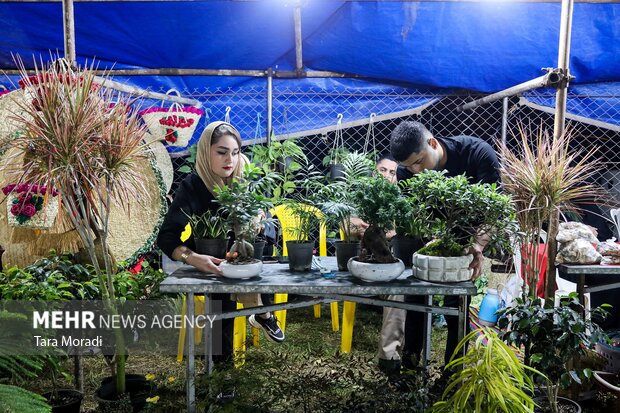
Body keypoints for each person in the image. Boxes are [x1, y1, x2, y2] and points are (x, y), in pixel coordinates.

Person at [157, 121, 285, 365]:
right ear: (206, 152)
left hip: (245, 258)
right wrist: (192, 258)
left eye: (235, 152)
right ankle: (222, 372)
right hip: (210, 260)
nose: (230, 160)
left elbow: (270, 223)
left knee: (256, 257)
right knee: (220, 301)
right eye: (222, 152)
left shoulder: (246, 178)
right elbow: (166, 237)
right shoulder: (194, 186)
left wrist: (259, 217)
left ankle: (262, 312)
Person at [390, 120, 500, 369]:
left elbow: (495, 210)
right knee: (415, 293)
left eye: (419, 161)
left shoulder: (477, 153)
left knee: (456, 303)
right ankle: (411, 360)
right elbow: (416, 215)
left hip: (469, 235)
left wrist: (478, 245)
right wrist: (430, 237)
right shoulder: (407, 171)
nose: (416, 171)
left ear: (433, 143)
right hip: (431, 235)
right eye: (409, 166)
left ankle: (454, 370)